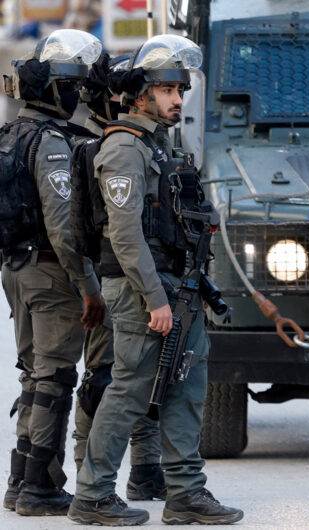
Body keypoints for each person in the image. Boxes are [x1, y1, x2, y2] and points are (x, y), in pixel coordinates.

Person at [67, 35, 242, 526]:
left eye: (180, 90)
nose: (177, 99)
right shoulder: (124, 147)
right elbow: (125, 235)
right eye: (167, 89)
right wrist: (154, 299)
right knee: (129, 389)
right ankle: (92, 495)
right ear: (140, 94)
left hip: (175, 284)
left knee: (187, 385)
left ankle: (185, 492)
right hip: (141, 289)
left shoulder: (157, 144)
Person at [0, 28, 105, 516]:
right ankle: (40, 487)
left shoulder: (10, 134)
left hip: (16, 270)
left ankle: (20, 482)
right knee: (55, 379)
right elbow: (63, 229)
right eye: (72, 86)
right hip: (50, 272)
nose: (78, 95)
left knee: (34, 375)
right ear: (54, 89)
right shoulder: (53, 143)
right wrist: (88, 288)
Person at [71, 52, 166, 501]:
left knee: (145, 377)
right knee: (105, 379)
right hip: (108, 279)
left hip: (134, 276)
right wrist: (88, 286)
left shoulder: (145, 141)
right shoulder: (104, 145)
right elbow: (79, 231)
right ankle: (87, 477)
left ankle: (145, 470)